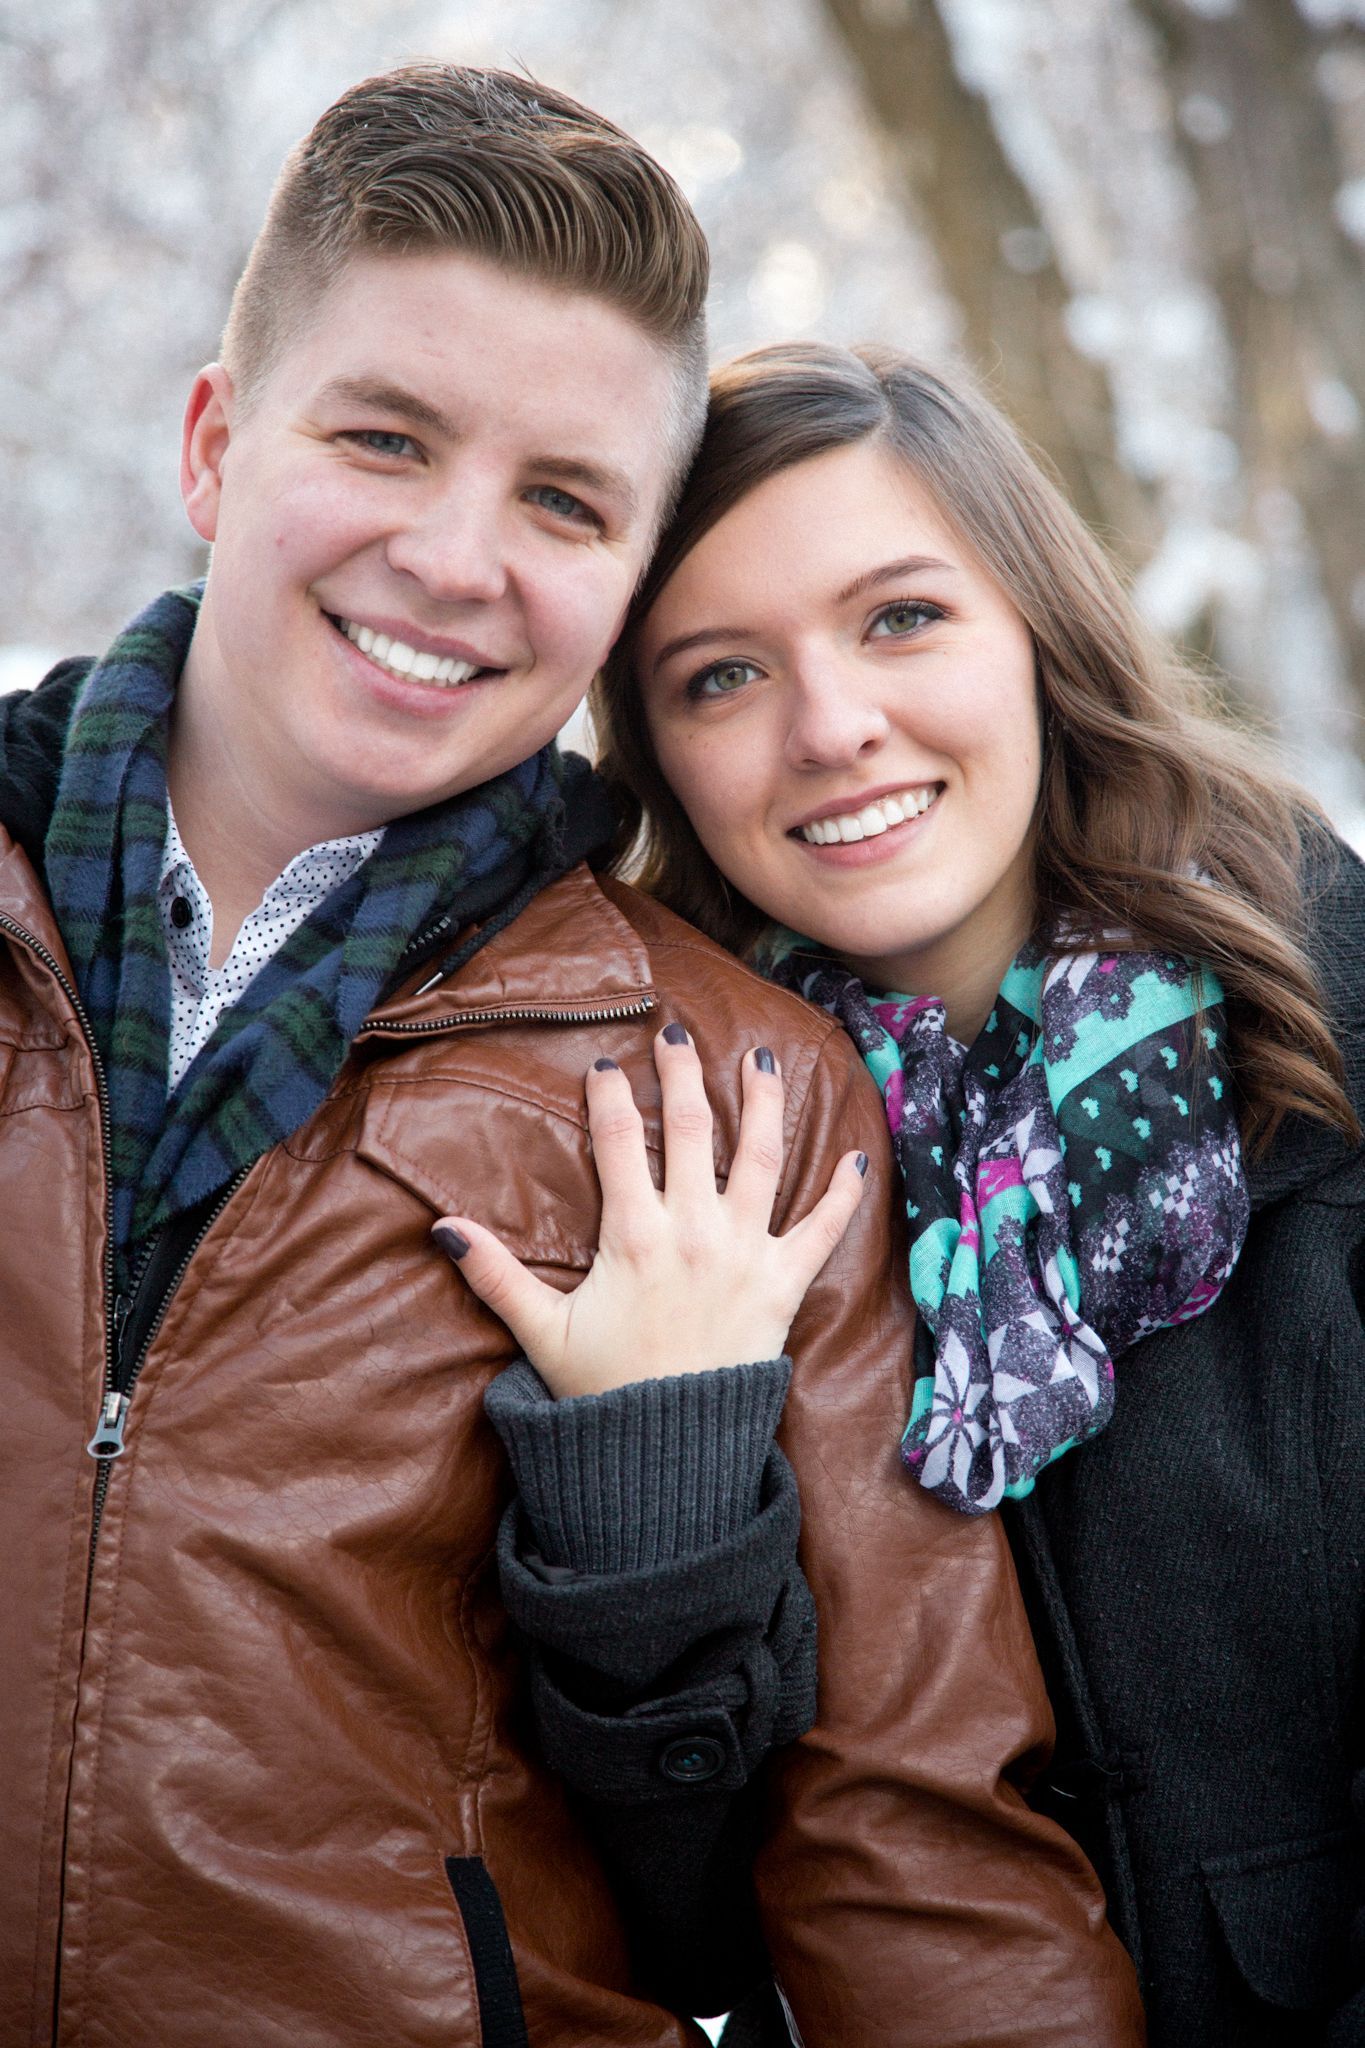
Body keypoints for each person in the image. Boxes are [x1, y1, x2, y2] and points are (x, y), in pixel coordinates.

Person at [0, 71, 1144, 2048]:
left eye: (562, 500)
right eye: (385, 438)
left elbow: (915, 1853)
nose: (456, 557)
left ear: (623, 585)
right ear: (212, 443)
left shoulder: (742, 1102)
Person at [461, 341, 1365, 2046]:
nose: (830, 727)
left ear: (1034, 625)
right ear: (650, 749)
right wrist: (656, 1497)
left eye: (899, 619)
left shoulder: (1332, 1028)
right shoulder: (663, 1162)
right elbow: (688, 1930)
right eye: (720, 675)